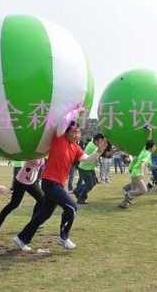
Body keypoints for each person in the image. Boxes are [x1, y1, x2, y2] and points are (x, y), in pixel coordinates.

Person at [13, 106, 107, 252]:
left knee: (44, 214)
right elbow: (64, 121)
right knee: (72, 207)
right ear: (67, 132)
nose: (78, 135)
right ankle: (63, 237)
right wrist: (77, 112)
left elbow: (87, 160)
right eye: (75, 132)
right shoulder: (59, 138)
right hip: (50, 182)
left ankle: (21, 238)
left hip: (57, 185)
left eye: (79, 132)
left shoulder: (75, 148)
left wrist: (98, 151)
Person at [0, 158, 45, 232]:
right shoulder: (32, 151)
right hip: (22, 180)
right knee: (14, 204)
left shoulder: (42, 153)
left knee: (41, 199)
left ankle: (34, 223)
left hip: (30, 180)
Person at [119, 128, 157, 209]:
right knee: (143, 190)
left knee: (134, 191)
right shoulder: (147, 154)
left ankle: (123, 203)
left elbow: (148, 141)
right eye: (155, 146)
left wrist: (150, 131)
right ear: (151, 147)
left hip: (134, 173)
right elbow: (143, 163)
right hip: (137, 174)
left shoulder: (145, 150)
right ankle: (127, 194)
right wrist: (142, 173)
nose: (155, 147)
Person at [73, 133, 105, 204]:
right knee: (89, 185)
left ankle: (77, 190)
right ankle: (81, 199)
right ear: (99, 140)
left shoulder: (92, 143)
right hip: (85, 168)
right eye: (102, 141)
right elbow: (105, 154)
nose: (103, 143)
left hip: (88, 167)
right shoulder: (94, 147)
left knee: (93, 183)